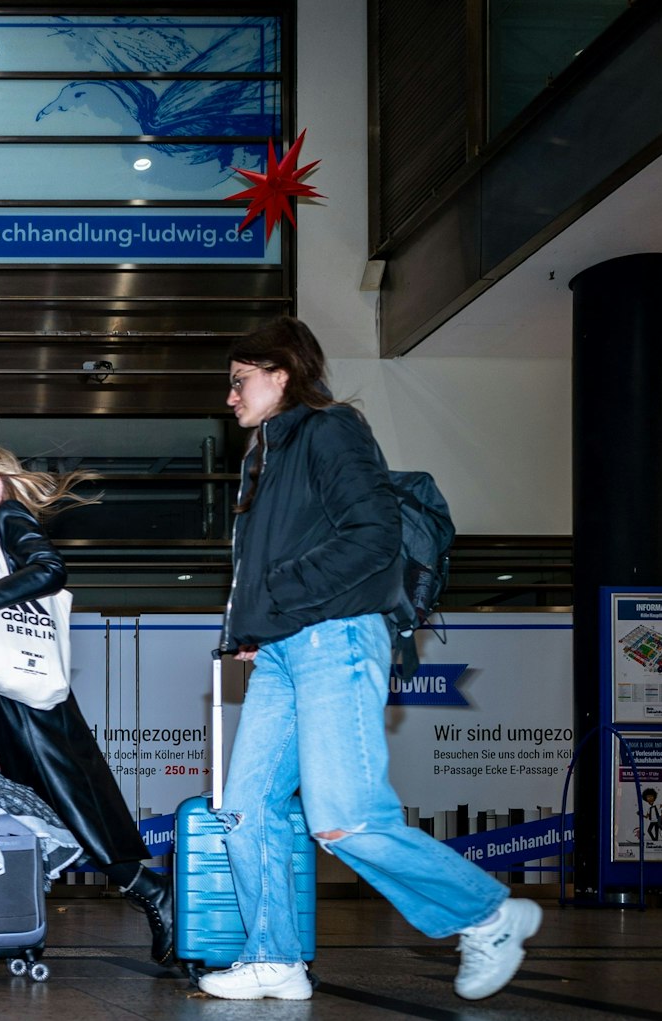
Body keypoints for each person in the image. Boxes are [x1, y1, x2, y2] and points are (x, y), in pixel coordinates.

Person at [199, 316, 539, 1002]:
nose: (230, 396)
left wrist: (278, 593)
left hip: (335, 640)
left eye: (239, 380)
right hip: (283, 652)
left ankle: (488, 914)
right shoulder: (264, 457)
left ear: (280, 374)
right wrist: (256, 624)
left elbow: (373, 536)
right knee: (244, 811)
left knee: (345, 818)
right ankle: (274, 958)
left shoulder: (331, 430)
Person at [0, 445, 174, 967]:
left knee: (69, 807)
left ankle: (151, 891)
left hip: (26, 705)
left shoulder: (9, 518)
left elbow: (49, 569)